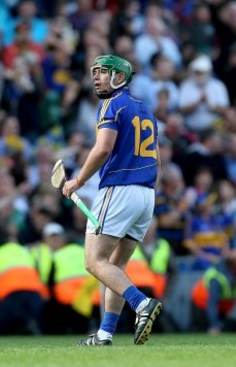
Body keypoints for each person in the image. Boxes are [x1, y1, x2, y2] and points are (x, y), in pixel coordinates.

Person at [62, 54, 162, 346]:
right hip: (145, 194)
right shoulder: (146, 109)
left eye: (103, 72)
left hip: (120, 189)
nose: (96, 77)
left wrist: (78, 181)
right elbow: (157, 156)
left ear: (119, 77)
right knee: (115, 266)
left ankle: (141, 303)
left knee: (94, 261)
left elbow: (103, 148)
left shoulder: (111, 104)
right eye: (94, 72)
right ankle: (105, 333)